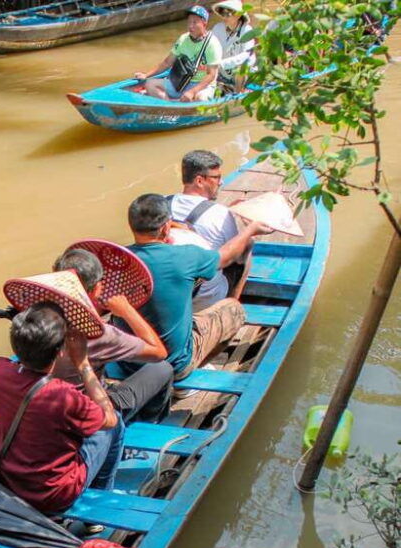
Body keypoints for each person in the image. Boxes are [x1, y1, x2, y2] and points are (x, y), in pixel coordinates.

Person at [0, 302, 123, 515]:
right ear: (60, 352)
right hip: (54, 495)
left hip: (9, 482)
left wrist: (29, 335)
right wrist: (83, 364)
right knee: (116, 425)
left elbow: (19, 363)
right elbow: (109, 418)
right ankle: (98, 510)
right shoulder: (64, 395)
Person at [124, 194, 270, 379]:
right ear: (166, 227)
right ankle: (193, 371)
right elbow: (225, 256)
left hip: (128, 362)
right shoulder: (185, 256)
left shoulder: (119, 258)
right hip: (176, 366)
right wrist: (249, 231)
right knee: (234, 309)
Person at [52, 249, 173, 423]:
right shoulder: (100, 334)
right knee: (163, 368)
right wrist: (127, 311)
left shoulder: (39, 316)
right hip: (89, 409)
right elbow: (159, 352)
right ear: (97, 288)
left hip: (51, 399)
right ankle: (148, 421)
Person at [168, 149, 268, 310]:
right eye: (217, 178)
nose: (220, 182)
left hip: (167, 293)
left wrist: (227, 211)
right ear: (200, 181)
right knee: (247, 243)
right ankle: (230, 306)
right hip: (200, 299)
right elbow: (233, 253)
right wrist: (248, 228)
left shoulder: (161, 204)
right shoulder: (219, 214)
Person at [134, 6, 223, 102]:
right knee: (149, 84)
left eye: (194, 22)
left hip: (202, 85)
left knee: (200, 98)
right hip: (182, 82)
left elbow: (211, 75)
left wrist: (192, 92)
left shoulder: (212, 44)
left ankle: (187, 107)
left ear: (204, 23)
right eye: (189, 22)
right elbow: (167, 62)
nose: (190, 26)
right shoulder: (183, 39)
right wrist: (146, 75)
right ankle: (169, 110)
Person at [210, 0, 256, 93]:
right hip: (223, 72)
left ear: (238, 15)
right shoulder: (217, 28)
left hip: (244, 72)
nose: (225, 17)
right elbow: (209, 47)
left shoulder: (247, 30)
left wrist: (221, 64)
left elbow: (245, 56)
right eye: (223, 13)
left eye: (228, 13)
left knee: (240, 69)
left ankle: (238, 95)